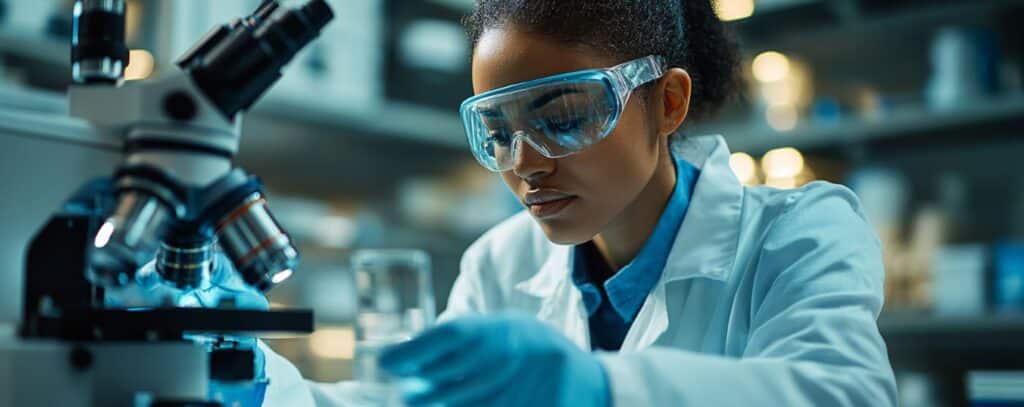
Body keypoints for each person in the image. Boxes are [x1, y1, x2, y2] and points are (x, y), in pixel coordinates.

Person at [260, 0, 898, 405]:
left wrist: (597, 389)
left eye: (564, 118)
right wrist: (251, 376)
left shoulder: (799, 234)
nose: (524, 163)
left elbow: (840, 393)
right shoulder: (500, 264)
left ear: (668, 103)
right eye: (499, 132)